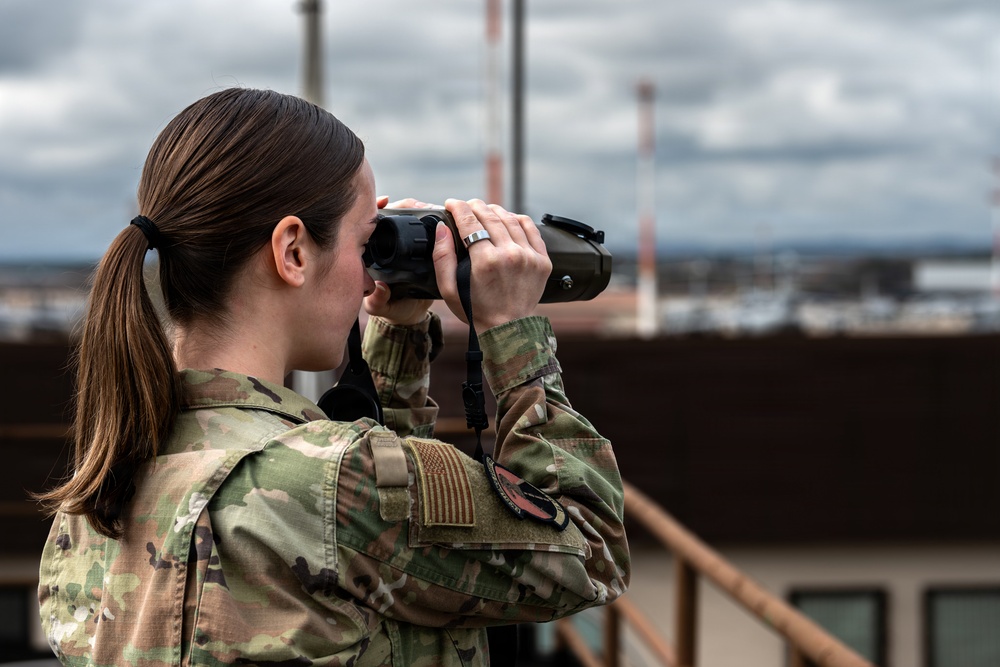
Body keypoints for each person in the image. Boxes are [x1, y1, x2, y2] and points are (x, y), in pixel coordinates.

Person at [36, 87, 629, 666]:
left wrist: (396, 340)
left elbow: (392, 553)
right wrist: (513, 331)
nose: (367, 275)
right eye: (364, 244)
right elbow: (592, 552)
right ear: (292, 251)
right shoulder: (340, 480)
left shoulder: (97, 494)